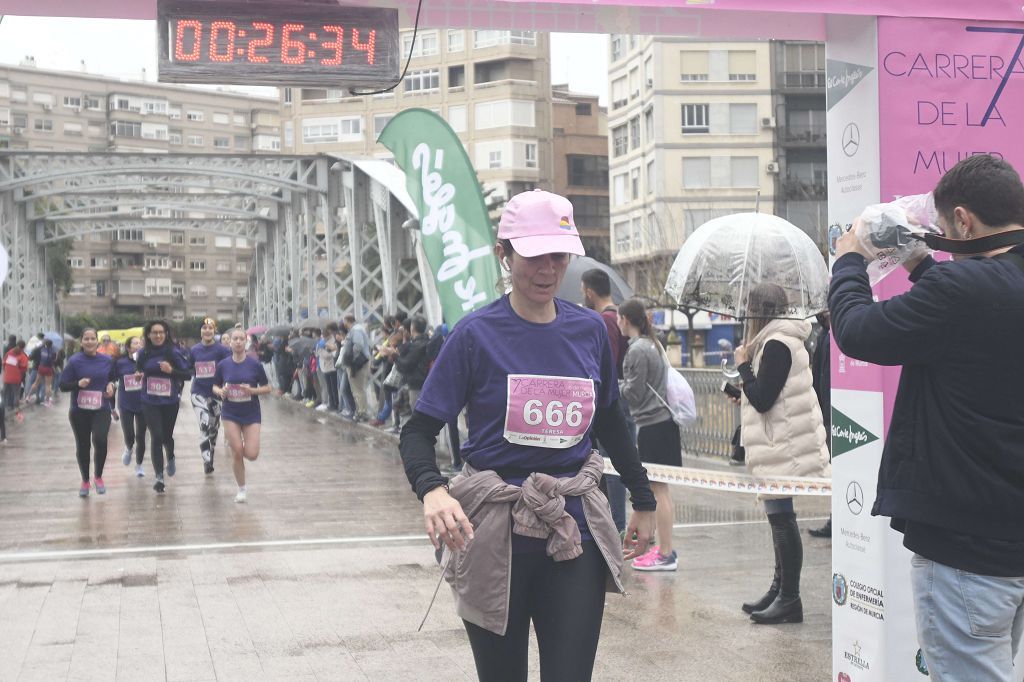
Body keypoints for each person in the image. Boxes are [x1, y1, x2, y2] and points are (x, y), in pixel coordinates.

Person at [399, 189, 656, 681]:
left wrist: (641, 497)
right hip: (494, 533)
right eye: (534, 256)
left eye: (558, 256)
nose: (547, 270)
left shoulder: (589, 331)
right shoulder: (474, 335)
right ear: (505, 255)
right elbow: (419, 429)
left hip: (572, 529)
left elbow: (610, 420)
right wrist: (431, 490)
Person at [830, 154, 1024, 679]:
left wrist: (848, 260)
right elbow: (974, 320)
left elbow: (858, 331)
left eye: (942, 228)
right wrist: (920, 266)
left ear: (963, 221)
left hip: (967, 545)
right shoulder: (979, 289)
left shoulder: (963, 291)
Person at [730, 282, 829, 625]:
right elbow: (769, 392)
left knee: (783, 521)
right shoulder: (778, 340)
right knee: (779, 519)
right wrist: (742, 385)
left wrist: (743, 367)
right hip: (781, 443)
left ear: (758, 311)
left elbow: (763, 398)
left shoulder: (776, 343)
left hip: (784, 447)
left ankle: (790, 598)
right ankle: (779, 589)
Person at [617, 298, 682, 571]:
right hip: (661, 423)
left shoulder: (637, 351)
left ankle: (665, 552)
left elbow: (634, 391)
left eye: (619, 318)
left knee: (659, 489)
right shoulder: (652, 345)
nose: (617, 323)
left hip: (654, 425)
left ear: (626, 320)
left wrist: (613, 386)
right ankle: (661, 550)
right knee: (659, 489)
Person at [581, 268, 630, 534]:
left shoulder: (605, 321)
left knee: (611, 467)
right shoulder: (616, 316)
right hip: (618, 397)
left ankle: (616, 526)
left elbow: (605, 364)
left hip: (611, 401)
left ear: (589, 292)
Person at [213, 328, 271, 503]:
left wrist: (251, 390)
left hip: (251, 413)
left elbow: (268, 388)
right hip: (230, 412)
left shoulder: (255, 365)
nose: (238, 342)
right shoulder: (223, 365)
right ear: (229, 342)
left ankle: (244, 444)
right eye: (234, 339)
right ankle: (241, 489)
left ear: (245, 342)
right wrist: (220, 391)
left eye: (241, 339)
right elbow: (214, 386)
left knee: (252, 454)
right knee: (237, 452)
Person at [59, 329, 117, 497]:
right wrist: (78, 383)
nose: (90, 341)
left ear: (97, 342)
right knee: (83, 445)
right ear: (81, 342)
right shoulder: (74, 361)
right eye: (86, 339)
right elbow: (63, 385)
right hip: (79, 411)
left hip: (101, 409)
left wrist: (112, 386)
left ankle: (98, 476)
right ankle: (85, 480)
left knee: (100, 440)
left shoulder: (107, 360)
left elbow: (113, 378)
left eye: (93, 339)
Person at [136, 320, 191, 493]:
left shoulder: (172, 352)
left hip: (169, 401)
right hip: (149, 401)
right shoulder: (143, 353)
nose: (158, 335)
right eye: (154, 332)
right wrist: (138, 376)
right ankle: (159, 476)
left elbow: (188, 375)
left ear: (166, 334)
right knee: (156, 436)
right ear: (149, 335)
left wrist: (171, 371)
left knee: (167, 436)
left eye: (161, 332)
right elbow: (138, 370)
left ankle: (171, 455)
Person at [190, 318, 231, 475]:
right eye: (204, 328)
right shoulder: (194, 350)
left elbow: (229, 369)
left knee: (213, 429)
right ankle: (206, 459)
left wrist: (225, 386)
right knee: (204, 425)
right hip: (198, 393)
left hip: (216, 395)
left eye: (210, 328)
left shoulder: (222, 350)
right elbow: (188, 369)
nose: (207, 330)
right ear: (200, 331)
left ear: (215, 331)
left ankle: (210, 455)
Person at [808, 312, 832, 539]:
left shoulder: (835, 333)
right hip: (825, 410)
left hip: (835, 411)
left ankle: (837, 520)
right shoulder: (823, 334)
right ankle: (835, 519)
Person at [116, 337, 148, 477]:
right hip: (126, 403)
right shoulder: (120, 363)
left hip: (143, 403)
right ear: (128, 348)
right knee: (129, 434)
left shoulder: (146, 362)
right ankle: (129, 448)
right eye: (135, 343)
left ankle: (139, 465)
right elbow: (111, 378)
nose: (138, 345)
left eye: (140, 343)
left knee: (141, 436)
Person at [341, 314, 372, 421]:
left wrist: (350, 358)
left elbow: (358, 345)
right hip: (358, 362)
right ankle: (360, 411)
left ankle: (362, 412)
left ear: (347, 320)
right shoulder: (356, 329)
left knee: (358, 389)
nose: (343, 323)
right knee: (357, 389)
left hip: (358, 363)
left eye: (344, 321)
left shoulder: (356, 330)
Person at [2, 340, 29, 439]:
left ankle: (4, 409)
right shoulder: (22, 356)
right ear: (23, 347)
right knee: (16, 394)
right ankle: (16, 410)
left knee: (5, 393)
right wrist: (20, 373)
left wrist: (7, 371)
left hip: (7, 377)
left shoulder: (9, 353)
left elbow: (4, 363)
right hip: (16, 378)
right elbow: (24, 368)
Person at [25, 339, 57, 406]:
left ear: (45, 344)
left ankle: (28, 396)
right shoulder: (53, 351)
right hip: (48, 368)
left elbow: (33, 354)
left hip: (41, 367)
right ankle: (47, 401)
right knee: (48, 385)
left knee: (36, 383)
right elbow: (54, 360)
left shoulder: (42, 349)